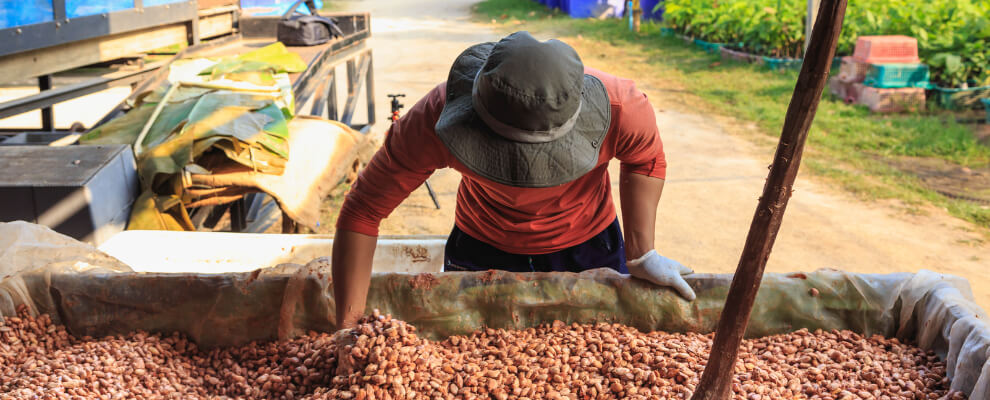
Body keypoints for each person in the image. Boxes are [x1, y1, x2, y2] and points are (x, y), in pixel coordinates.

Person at [332, 31, 694, 329]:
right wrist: (347, 327)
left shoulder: (623, 107)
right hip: (482, 244)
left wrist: (642, 252)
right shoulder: (434, 119)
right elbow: (363, 211)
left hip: (588, 243)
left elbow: (645, 159)